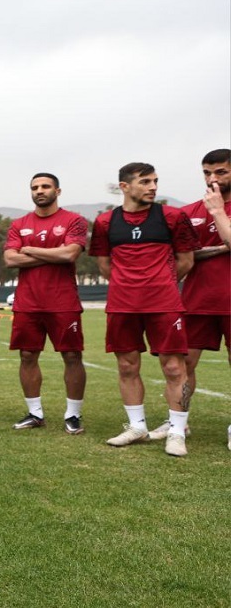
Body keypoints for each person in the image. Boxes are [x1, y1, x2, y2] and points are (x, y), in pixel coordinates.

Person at [89, 162, 198, 457]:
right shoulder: (105, 222)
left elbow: (186, 260)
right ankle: (137, 427)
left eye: (155, 181)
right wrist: (130, 287)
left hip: (164, 303)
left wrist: (159, 284)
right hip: (122, 305)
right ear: (124, 187)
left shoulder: (173, 217)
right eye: (145, 181)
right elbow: (104, 265)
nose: (153, 187)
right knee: (127, 366)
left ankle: (177, 432)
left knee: (174, 368)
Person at [147, 149, 229, 448]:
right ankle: (178, 422)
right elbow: (181, 255)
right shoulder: (189, 212)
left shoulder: (214, 208)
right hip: (197, 300)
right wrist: (220, 249)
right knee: (182, 365)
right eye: (207, 172)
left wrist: (218, 212)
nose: (212, 178)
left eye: (221, 172)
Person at [3, 173, 89, 434]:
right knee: (27, 355)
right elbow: (10, 259)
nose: (39, 191)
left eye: (45, 186)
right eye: (35, 187)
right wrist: (54, 254)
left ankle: (73, 415)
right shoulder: (19, 224)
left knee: (72, 356)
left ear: (57, 191)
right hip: (27, 302)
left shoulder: (74, 220)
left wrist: (29, 249)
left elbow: (70, 254)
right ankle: (35, 413)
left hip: (63, 300)